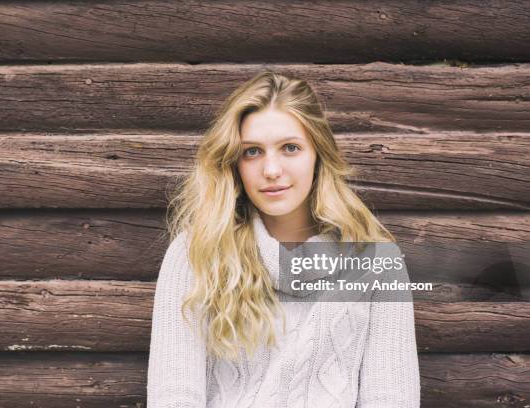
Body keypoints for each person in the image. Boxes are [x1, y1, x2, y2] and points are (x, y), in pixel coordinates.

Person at [147, 71, 421, 407]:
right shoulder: (196, 254)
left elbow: (390, 398)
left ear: (318, 154)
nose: (272, 169)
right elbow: (174, 396)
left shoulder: (377, 263)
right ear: (234, 163)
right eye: (252, 152)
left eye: (290, 148)